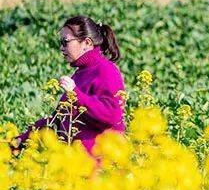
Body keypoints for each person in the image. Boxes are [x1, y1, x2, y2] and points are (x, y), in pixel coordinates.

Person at [11, 16, 126, 155]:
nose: (61, 48)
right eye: (60, 42)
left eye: (65, 42)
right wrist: (17, 142)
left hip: (100, 166)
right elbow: (57, 121)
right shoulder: (80, 74)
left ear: (87, 43)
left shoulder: (106, 70)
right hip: (75, 164)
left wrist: (75, 94)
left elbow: (112, 115)